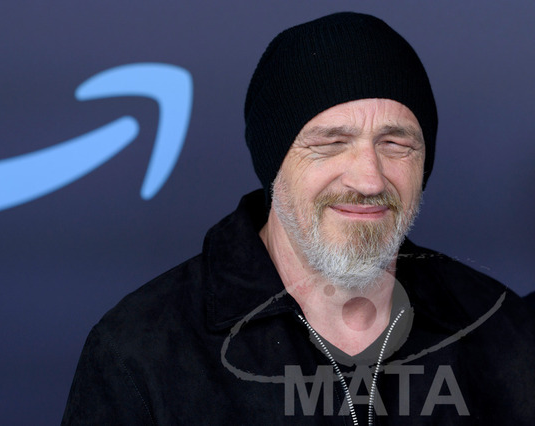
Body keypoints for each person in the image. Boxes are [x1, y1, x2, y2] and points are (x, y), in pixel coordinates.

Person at [62, 12, 535, 425]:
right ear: (274, 164)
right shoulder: (141, 354)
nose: (369, 179)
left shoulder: (503, 333)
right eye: (331, 143)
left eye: (395, 144)